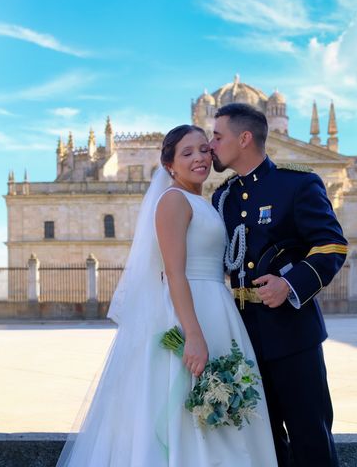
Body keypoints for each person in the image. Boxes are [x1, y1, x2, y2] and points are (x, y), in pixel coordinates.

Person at [56, 125, 277, 466]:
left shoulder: (206, 201)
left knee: (219, 405)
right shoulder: (173, 200)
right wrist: (193, 335)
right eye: (187, 153)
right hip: (191, 313)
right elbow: (174, 273)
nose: (200, 158)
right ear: (170, 165)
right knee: (187, 407)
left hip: (216, 308)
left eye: (204, 149)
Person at [210, 103, 348, 467]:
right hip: (242, 336)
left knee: (309, 435)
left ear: (244, 138)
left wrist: (289, 284)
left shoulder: (297, 183)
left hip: (292, 332)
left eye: (217, 136)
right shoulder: (221, 198)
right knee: (262, 437)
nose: (211, 145)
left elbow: (332, 245)